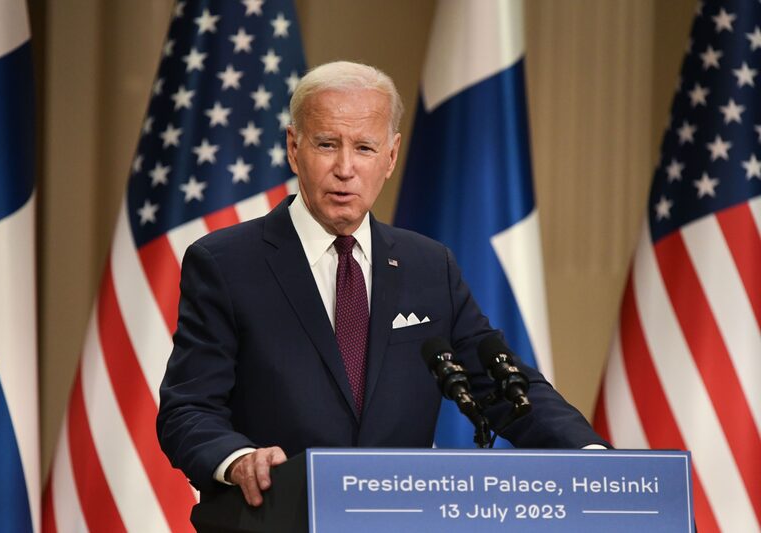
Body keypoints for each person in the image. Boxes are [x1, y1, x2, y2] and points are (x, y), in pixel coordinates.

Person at [157, 61, 608, 507]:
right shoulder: (226, 262)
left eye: (365, 149)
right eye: (327, 144)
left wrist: (592, 458)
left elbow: (504, 385)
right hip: (276, 515)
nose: (345, 168)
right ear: (294, 148)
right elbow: (188, 408)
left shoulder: (429, 266)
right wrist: (238, 460)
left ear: (391, 156)